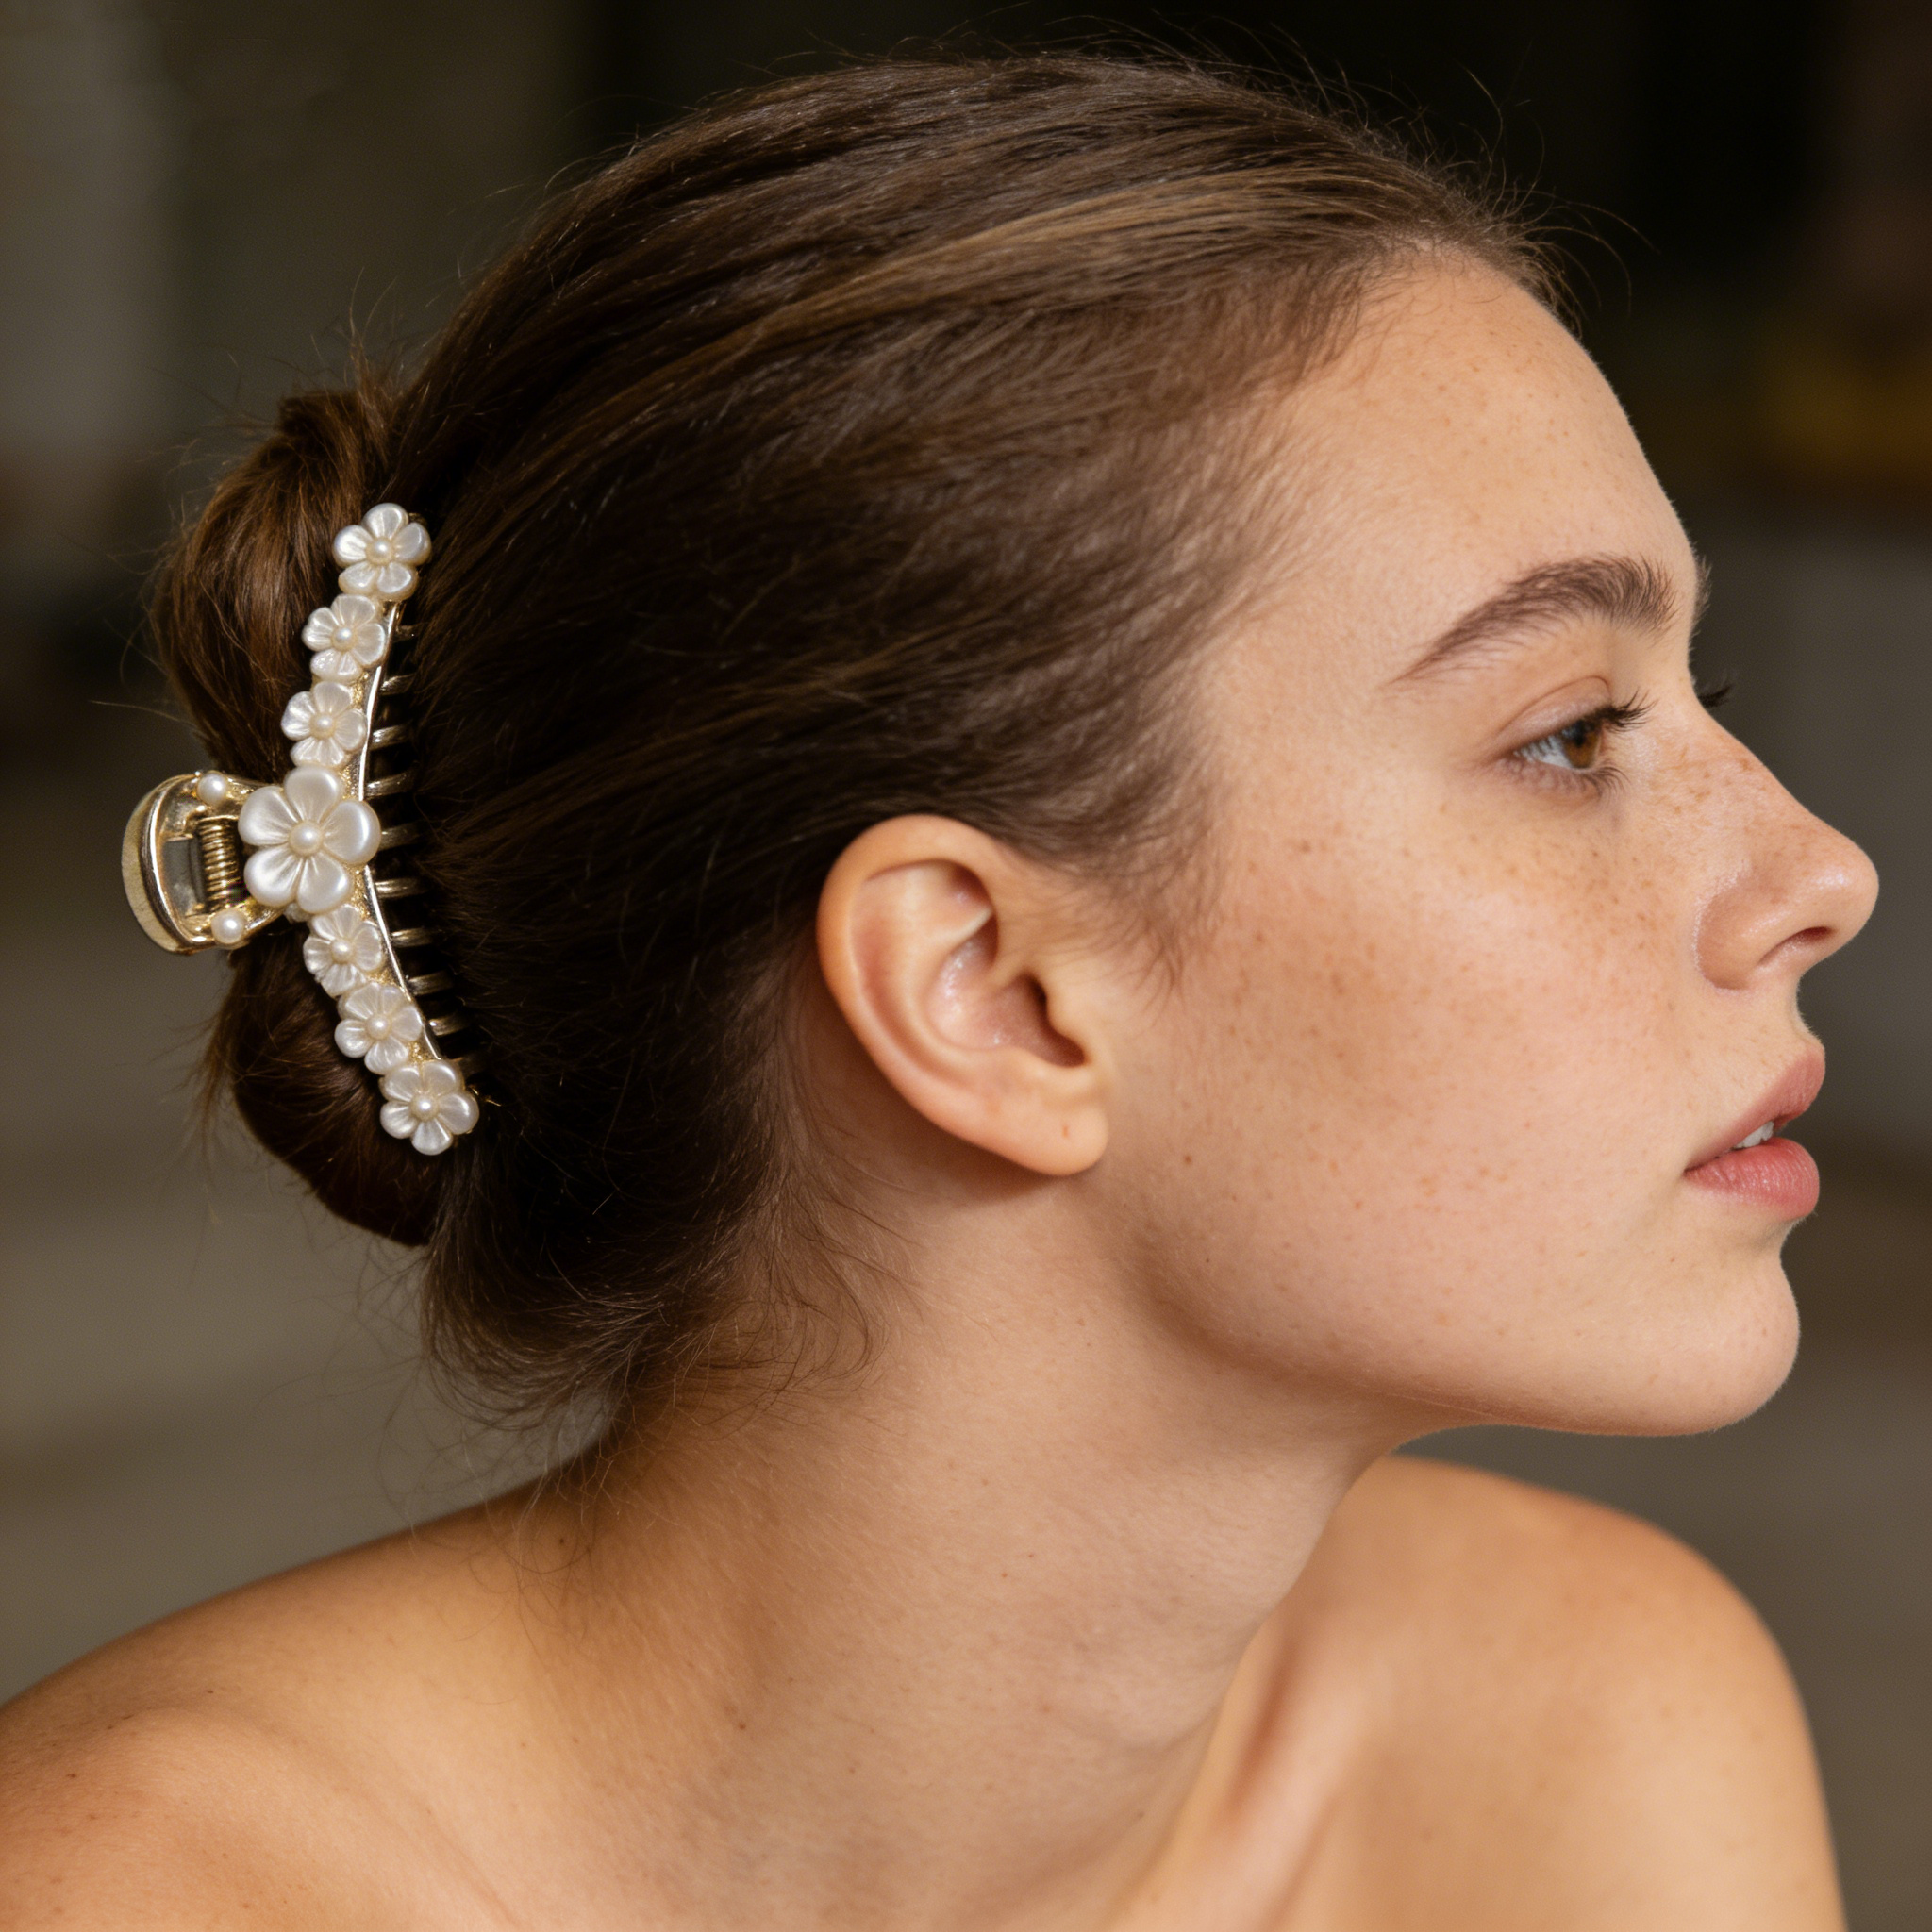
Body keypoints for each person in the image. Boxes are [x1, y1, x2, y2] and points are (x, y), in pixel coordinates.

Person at [0, 51, 1876, 1930]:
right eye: (1569, 734)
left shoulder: (1595, 1739)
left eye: (1691, 695)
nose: (1819, 874)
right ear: (985, 989)